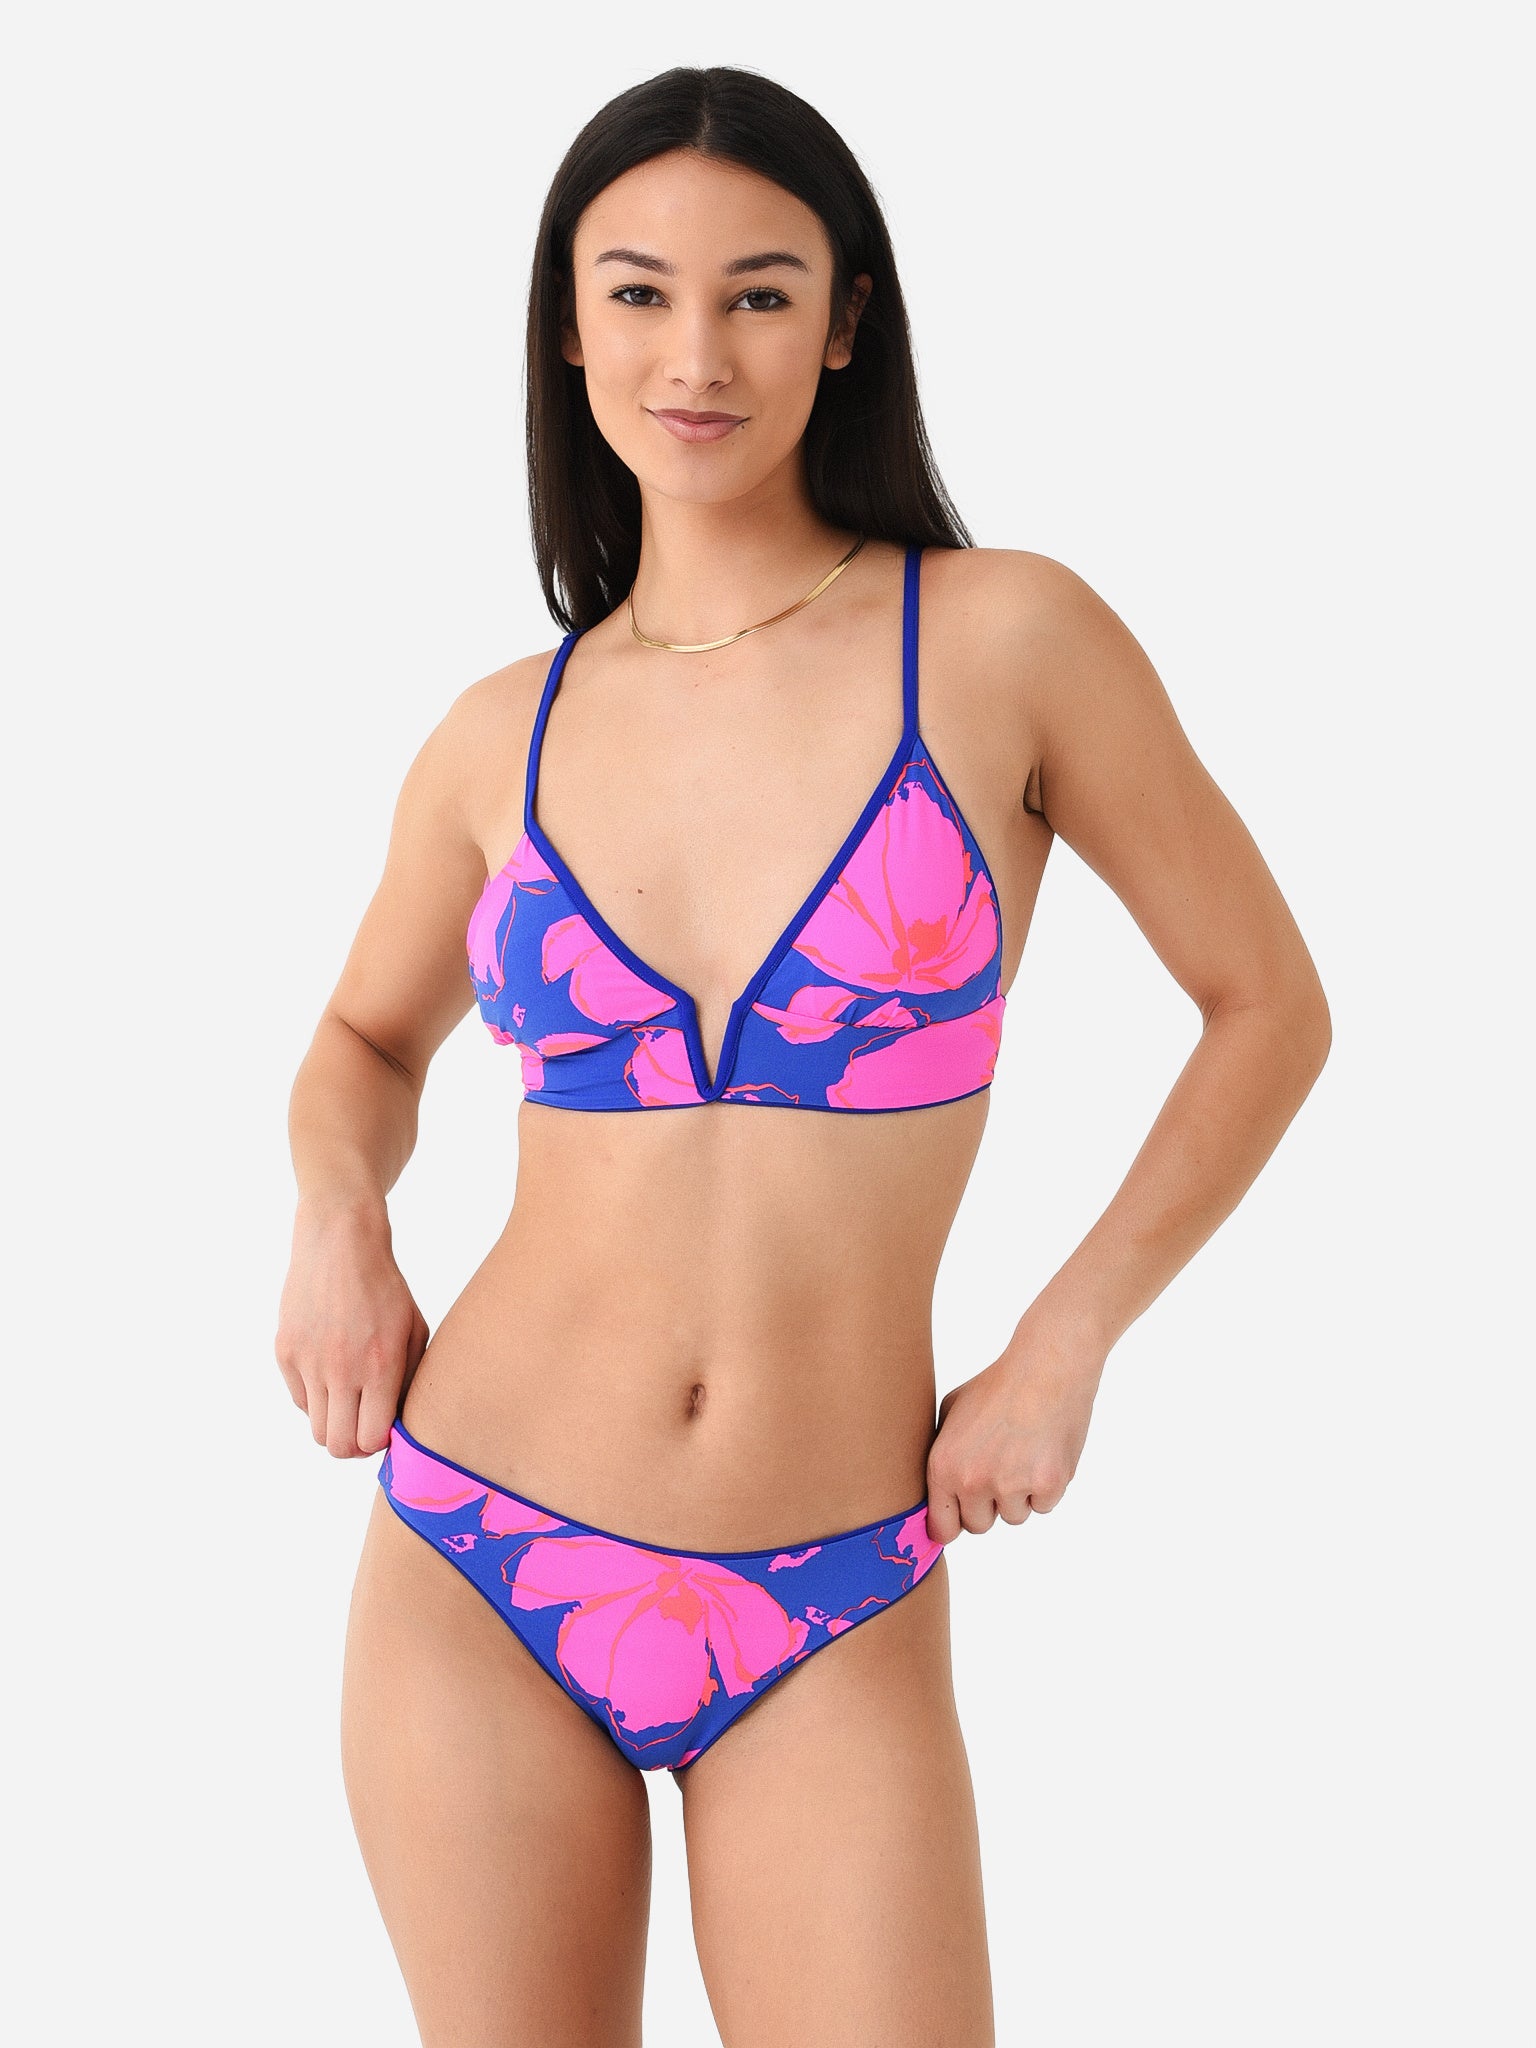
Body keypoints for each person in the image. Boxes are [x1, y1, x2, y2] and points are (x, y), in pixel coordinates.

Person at [275, 64, 1331, 2048]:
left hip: (833, 1580)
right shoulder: (500, 731)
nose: (695, 354)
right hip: (478, 1555)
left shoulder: (1005, 638)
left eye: (759, 294)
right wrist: (339, 1216)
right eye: (638, 293)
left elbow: (1270, 1003)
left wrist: (1064, 1342)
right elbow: (359, 1038)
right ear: (567, 326)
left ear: (845, 323)